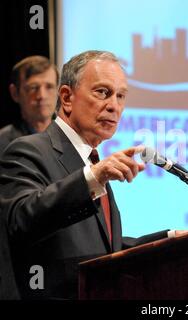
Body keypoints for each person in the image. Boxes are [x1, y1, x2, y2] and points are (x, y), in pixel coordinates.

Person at [0, 51, 174, 300]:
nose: (114, 105)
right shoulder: (28, 150)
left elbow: (100, 251)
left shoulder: (90, 161)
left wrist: (171, 241)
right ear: (67, 98)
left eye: (120, 96)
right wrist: (93, 177)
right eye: (103, 92)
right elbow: (21, 220)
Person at [0, 56, 59, 155]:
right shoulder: (3, 144)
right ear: (15, 93)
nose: (42, 96)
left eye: (49, 87)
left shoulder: (73, 137)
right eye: (33, 88)